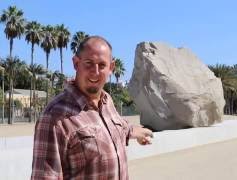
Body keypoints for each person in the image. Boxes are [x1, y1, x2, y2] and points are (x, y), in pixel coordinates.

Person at [31, 36, 153, 180]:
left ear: (111, 67)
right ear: (76, 63)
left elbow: (116, 128)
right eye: (89, 63)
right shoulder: (55, 117)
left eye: (102, 65)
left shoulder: (107, 101)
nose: (95, 72)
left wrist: (135, 133)